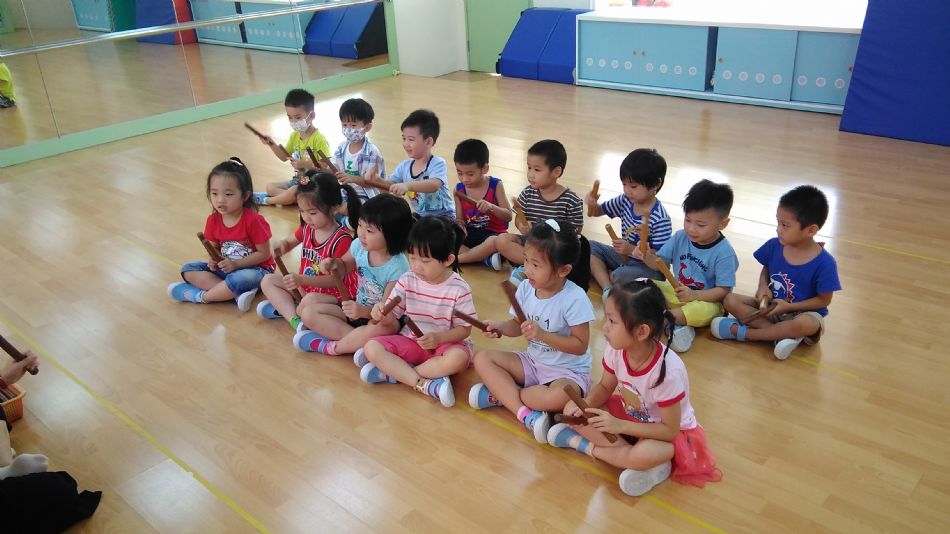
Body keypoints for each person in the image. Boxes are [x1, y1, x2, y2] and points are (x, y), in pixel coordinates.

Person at [548, 279, 721, 496]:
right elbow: (604, 387)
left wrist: (619, 426)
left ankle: (584, 446)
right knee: (571, 409)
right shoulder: (616, 349)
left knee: (645, 453)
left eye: (612, 321)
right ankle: (632, 460)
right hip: (630, 416)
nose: (605, 327)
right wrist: (586, 405)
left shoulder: (667, 373)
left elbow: (670, 430)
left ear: (641, 332)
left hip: (664, 433)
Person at [469, 220, 595, 444]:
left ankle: (505, 395)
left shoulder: (575, 298)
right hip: (533, 362)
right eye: (526, 259)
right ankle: (525, 413)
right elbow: (517, 325)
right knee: (483, 358)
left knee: (560, 395)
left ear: (563, 270)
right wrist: (499, 327)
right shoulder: (526, 288)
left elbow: (580, 346)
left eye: (536, 265)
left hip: (567, 372)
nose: (527, 269)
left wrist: (543, 335)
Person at [712, 185, 841, 360]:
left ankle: (747, 334)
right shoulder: (775, 245)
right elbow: (766, 268)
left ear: (811, 230)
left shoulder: (825, 263)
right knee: (729, 299)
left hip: (802, 313)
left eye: (785, 225)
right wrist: (762, 287)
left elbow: (824, 300)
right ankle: (780, 336)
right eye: (778, 222)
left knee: (806, 324)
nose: (778, 229)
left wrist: (790, 307)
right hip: (772, 308)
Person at [359, 217, 476, 408]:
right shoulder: (407, 279)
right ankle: (423, 382)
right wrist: (382, 313)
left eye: (425, 261)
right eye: (412, 257)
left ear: (448, 260)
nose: (416, 266)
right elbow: (393, 316)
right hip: (412, 341)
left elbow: (465, 330)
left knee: (458, 359)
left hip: (445, 345)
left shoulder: (459, 289)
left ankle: (396, 374)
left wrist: (438, 338)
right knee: (371, 347)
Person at [293, 194, 413, 355]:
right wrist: (333, 264)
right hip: (355, 310)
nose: (361, 233)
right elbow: (343, 267)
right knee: (308, 313)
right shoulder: (359, 246)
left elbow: (385, 312)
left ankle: (336, 347)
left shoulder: (398, 268)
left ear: (392, 235)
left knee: (384, 327)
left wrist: (362, 312)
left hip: (379, 320)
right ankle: (356, 342)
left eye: (369, 230)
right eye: (360, 225)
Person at [636, 179, 738, 352]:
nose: (691, 229)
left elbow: (723, 291)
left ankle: (666, 322)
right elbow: (659, 264)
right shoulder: (680, 237)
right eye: (688, 220)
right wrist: (645, 254)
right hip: (678, 294)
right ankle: (676, 324)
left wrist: (694, 295)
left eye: (700, 225)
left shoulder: (724, 252)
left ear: (723, 224)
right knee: (640, 284)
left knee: (699, 309)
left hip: (707, 302)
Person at [256, 172, 360, 332]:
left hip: (334, 296)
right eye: (302, 211)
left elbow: (335, 281)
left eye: (312, 213)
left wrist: (302, 280)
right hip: (307, 287)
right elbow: (289, 242)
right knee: (268, 280)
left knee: (308, 302)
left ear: (334, 209)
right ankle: (295, 320)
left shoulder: (342, 239)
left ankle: (289, 310)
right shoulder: (308, 228)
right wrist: (280, 246)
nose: (306, 217)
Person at [168, 158, 274, 312]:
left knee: (240, 278)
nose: (220, 200)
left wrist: (236, 264)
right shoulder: (213, 220)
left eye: (228, 194)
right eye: (214, 193)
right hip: (228, 268)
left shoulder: (254, 220)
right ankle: (233, 293)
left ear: (245, 196)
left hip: (257, 270)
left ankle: (201, 297)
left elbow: (264, 254)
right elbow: (215, 248)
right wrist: (214, 259)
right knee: (188, 268)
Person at [587, 148, 672, 292]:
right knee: (590, 247)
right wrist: (592, 204)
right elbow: (597, 212)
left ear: (656, 184)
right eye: (624, 184)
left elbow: (661, 264)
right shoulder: (625, 200)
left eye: (633, 186)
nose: (627, 190)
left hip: (647, 269)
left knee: (621, 275)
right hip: (625, 258)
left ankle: (605, 276)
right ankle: (607, 287)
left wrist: (631, 250)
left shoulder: (660, 219)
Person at [253, 89, 332, 206]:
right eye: (290, 117)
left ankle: (267, 200)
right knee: (270, 187)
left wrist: (303, 164)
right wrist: (271, 144)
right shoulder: (294, 136)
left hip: (314, 183)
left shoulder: (319, 139)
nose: (293, 121)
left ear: (312, 116)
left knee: (293, 191)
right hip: (300, 180)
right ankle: (296, 199)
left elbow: (325, 166)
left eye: (298, 117)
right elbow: (284, 157)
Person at [377, 109, 455, 218]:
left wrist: (407, 185)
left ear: (428, 142)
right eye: (404, 138)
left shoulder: (437, 163)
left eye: (411, 139)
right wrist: (376, 180)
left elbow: (433, 185)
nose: (405, 144)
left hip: (444, 217)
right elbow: (388, 187)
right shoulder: (403, 167)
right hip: (421, 216)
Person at [452, 139, 512, 269]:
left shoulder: (495, 185)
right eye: (459, 173)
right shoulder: (458, 190)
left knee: (497, 242)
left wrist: (491, 206)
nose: (464, 179)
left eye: (470, 174)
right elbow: (460, 219)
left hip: (492, 234)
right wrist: (460, 226)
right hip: (471, 233)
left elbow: (508, 216)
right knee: (447, 234)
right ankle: (484, 258)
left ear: (485, 169)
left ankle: (456, 260)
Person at [331, 97, 387, 201]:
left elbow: (373, 183)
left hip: (367, 197)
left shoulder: (372, 152)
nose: (348, 129)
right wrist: (325, 169)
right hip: (345, 193)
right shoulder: (341, 148)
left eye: (353, 125)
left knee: (351, 207)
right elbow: (334, 168)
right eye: (344, 125)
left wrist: (353, 178)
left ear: (367, 127)